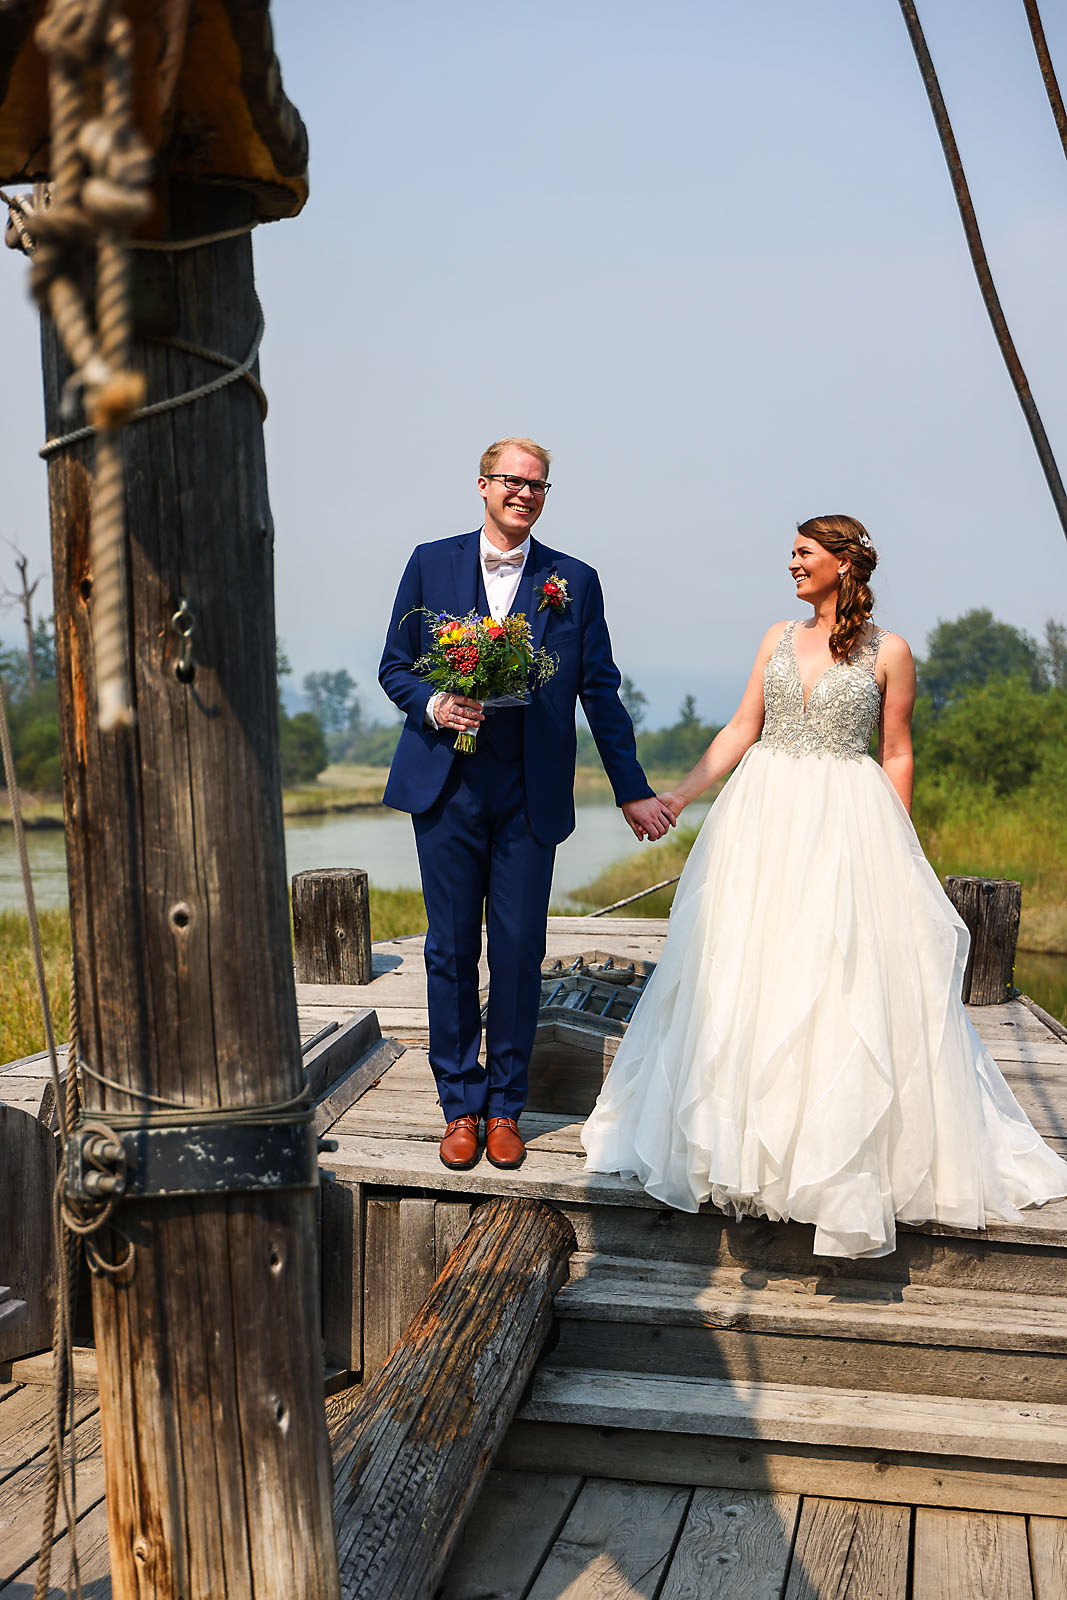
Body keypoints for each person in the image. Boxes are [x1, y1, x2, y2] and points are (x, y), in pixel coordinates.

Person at [582, 514, 1067, 1258]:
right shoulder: (776, 638)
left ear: (844, 564)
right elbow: (742, 726)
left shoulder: (890, 651)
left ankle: (834, 1163)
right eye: (791, 553)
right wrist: (682, 795)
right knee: (749, 965)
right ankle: (743, 1151)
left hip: (847, 816)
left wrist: (895, 848)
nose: (790, 564)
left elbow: (896, 751)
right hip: (763, 814)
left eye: (802, 554)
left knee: (838, 974)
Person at [379, 437, 674, 1172]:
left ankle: (506, 1107)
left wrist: (631, 788)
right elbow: (393, 666)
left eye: (537, 485)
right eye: (511, 481)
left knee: (517, 951)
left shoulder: (573, 579)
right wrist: (435, 702)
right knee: (449, 950)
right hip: (445, 785)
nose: (524, 493)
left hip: (530, 790)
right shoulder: (429, 562)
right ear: (482, 485)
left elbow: (600, 691)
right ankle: (459, 1104)